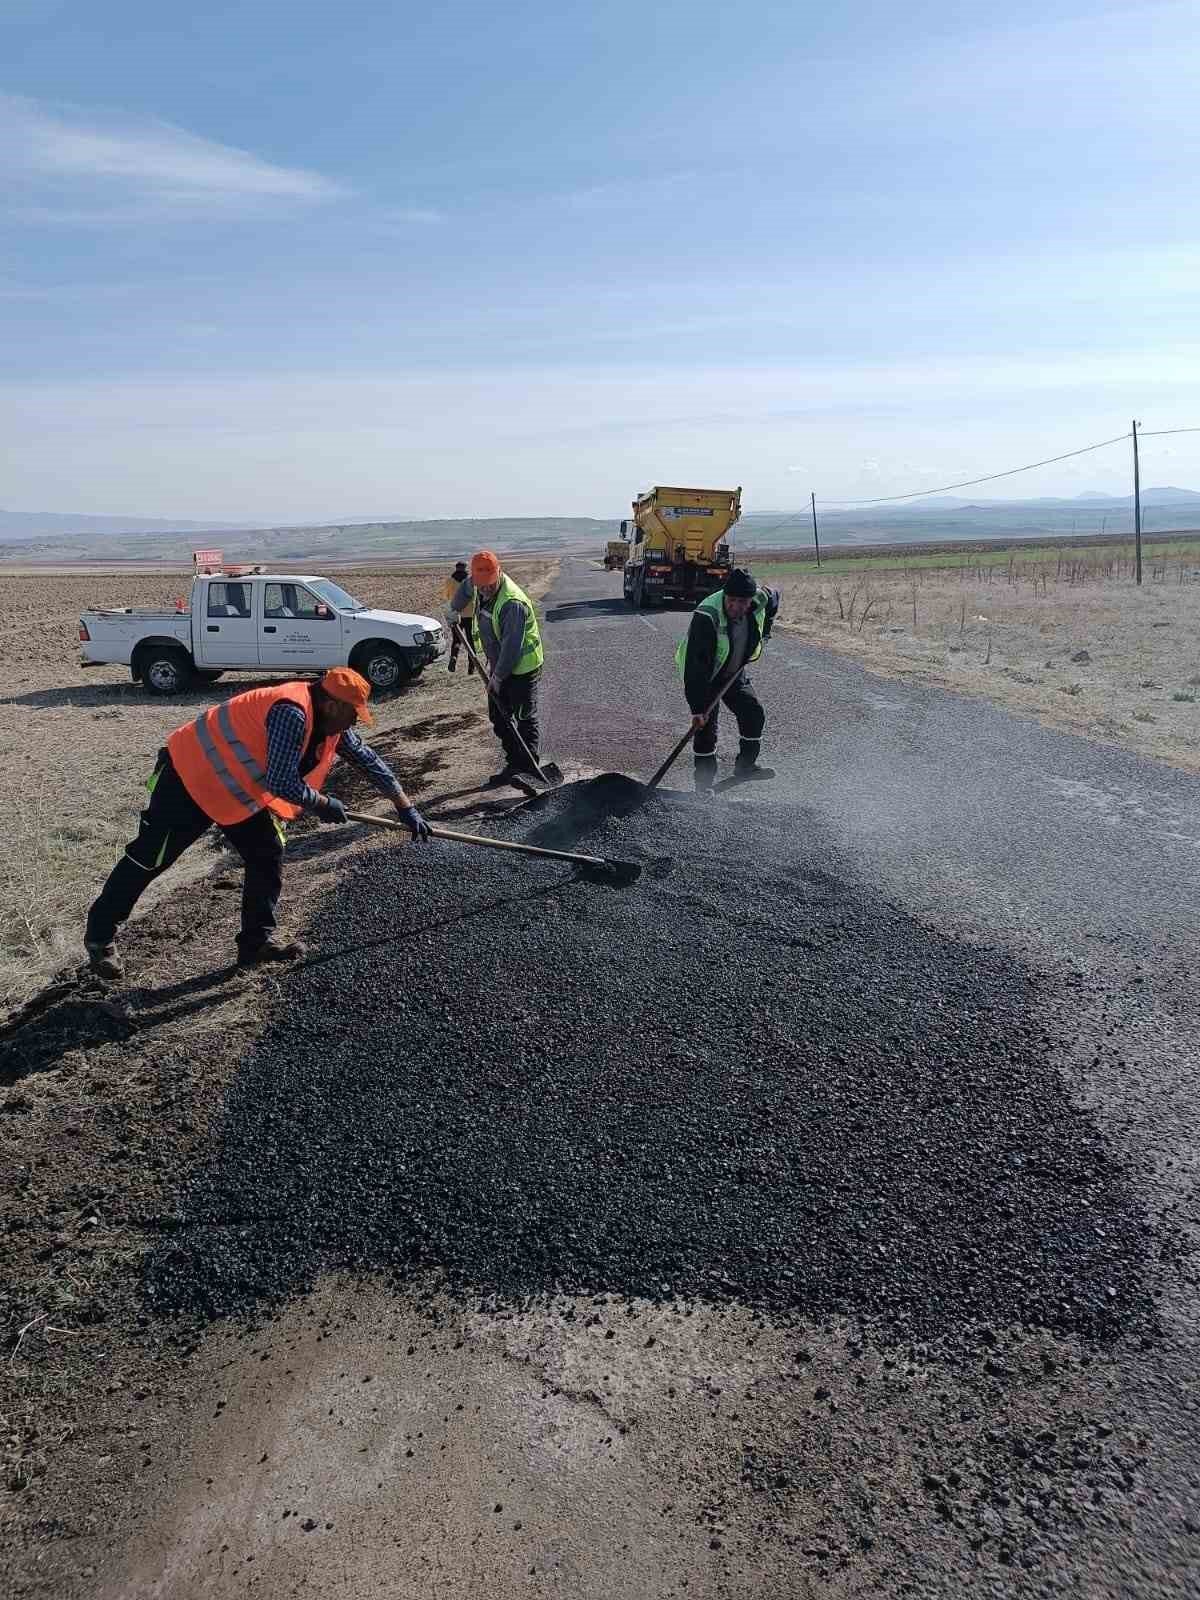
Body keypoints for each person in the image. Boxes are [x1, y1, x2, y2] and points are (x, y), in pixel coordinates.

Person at [84, 668, 432, 981]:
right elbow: (282, 782)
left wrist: (405, 807)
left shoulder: (330, 724)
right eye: (352, 715)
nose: (353, 723)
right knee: (151, 857)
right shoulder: (291, 713)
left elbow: (368, 761)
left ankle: (256, 943)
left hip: (231, 788)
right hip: (189, 777)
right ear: (332, 705)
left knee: (266, 853)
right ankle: (100, 937)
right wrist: (322, 804)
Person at [676, 568, 781, 788]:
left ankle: (745, 766)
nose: (735, 607)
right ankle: (703, 786)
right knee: (705, 730)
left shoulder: (759, 599)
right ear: (725, 595)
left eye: (742, 602)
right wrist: (697, 709)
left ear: (750, 600)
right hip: (706, 676)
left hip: (733, 672)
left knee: (753, 713)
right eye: (731, 600)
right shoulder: (706, 616)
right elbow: (696, 667)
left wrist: (767, 628)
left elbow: (774, 596)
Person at [448, 550, 544, 786]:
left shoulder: (512, 603)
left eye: (489, 586)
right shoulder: (478, 581)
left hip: (523, 667)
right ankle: (515, 764)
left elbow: (512, 646)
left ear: (498, 573)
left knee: (523, 718)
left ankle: (529, 767)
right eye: (481, 586)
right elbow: (466, 590)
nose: (485, 590)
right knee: (499, 716)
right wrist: (454, 609)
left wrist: (498, 678)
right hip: (499, 663)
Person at [441, 561, 476, 675]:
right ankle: (471, 667)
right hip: (469, 614)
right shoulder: (470, 580)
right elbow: (475, 595)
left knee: (456, 639)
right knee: (470, 640)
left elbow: (445, 596)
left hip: (456, 614)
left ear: (456, 568)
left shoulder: (450, 581)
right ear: (465, 568)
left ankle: (454, 658)